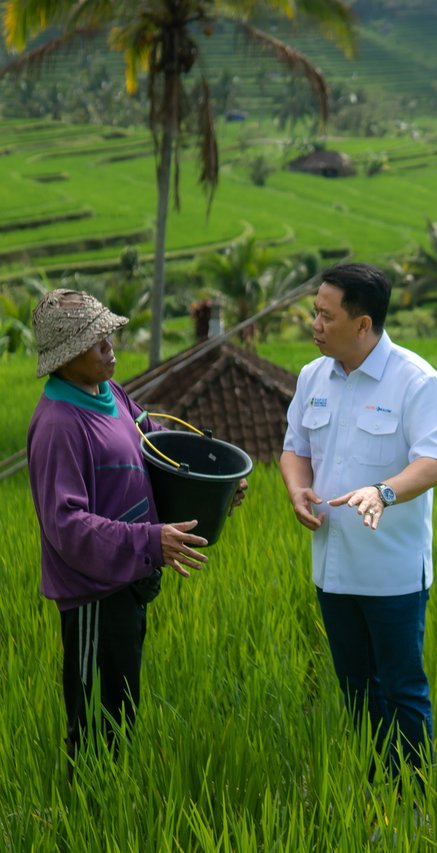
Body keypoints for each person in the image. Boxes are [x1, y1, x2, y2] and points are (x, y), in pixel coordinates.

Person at [27, 288, 246, 776]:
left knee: (121, 709)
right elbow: (67, 526)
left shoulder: (113, 395)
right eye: (97, 341)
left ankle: (114, 801)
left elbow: (157, 450)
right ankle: (83, 817)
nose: (111, 348)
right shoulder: (60, 425)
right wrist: (150, 540)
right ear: (66, 357)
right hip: (91, 595)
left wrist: (216, 489)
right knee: (91, 722)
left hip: (130, 580)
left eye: (109, 337)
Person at [280, 263, 437, 783]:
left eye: (325, 316)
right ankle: (376, 789)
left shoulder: (416, 381)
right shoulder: (314, 376)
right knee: (356, 689)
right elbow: (295, 449)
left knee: (402, 688)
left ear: (362, 324)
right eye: (314, 312)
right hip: (332, 569)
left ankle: (416, 802)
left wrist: (382, 491)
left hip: (392, 572)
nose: (314, 324)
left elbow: (433, 463)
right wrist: (297, 489)